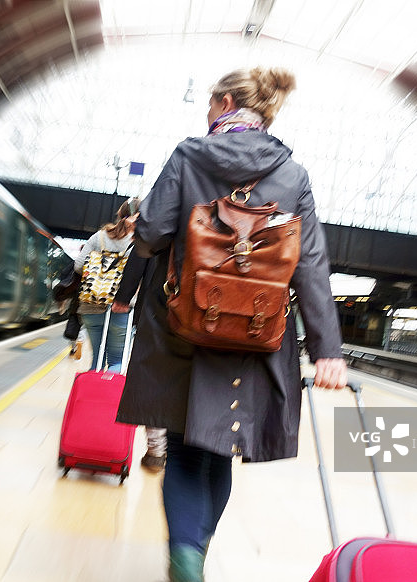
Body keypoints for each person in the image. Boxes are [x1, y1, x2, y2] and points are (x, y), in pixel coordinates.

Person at [115, 67, 348, 582]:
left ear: (223, 103)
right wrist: (326, 350)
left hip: (182, 325)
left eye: (208, 103)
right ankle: (194, 553)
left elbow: (152, 232)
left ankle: (185, 556)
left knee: (180, 447)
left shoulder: (189, 154)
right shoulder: (293, 175)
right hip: (253, 334)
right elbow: (310, 264)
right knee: (221, 445)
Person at [111, 253, 167, 473]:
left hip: (160, 311)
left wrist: (123, 297)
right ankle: (186, 447)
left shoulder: (168, 217)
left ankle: (156, 450)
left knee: (155, 380)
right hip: (215, 314)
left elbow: (142, 251)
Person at [74, 199, 140, 373]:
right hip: (122, 308)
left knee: (96, 359)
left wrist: (99, 273)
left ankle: (88, 396)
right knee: (117, 361)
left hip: (91, 305)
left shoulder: (99, 236)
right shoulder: (139, 242)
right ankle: (104, 399)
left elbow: (79, 265)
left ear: (120, 215)